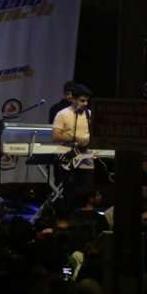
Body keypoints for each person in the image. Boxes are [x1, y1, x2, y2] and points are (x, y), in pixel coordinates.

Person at [53, 83, 94, 214]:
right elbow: (56, 136)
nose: (85, 103)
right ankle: (69, 215)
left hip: (86, 157)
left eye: (87, 101)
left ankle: (83, 215)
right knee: (69, 190)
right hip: (68, 157)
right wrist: (76, 139)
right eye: (82, 100)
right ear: (73, 99)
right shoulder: (62, 114)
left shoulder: (89, 114)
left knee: (86, 189)